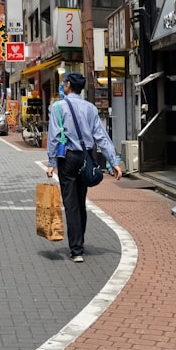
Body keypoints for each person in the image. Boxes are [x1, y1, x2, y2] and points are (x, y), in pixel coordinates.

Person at [46, 73, 123, 262]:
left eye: (64, 83)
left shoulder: (57, 107)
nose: (63, 85)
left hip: (68, 158)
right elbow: (101, 136)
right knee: (81, 201)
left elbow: (54, 136)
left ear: (69, 85)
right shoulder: (90, 108)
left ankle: (77, 250)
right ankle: (79, 243)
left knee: (70, 203)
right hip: (87, 157)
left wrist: (51, 163)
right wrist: (114, 162)